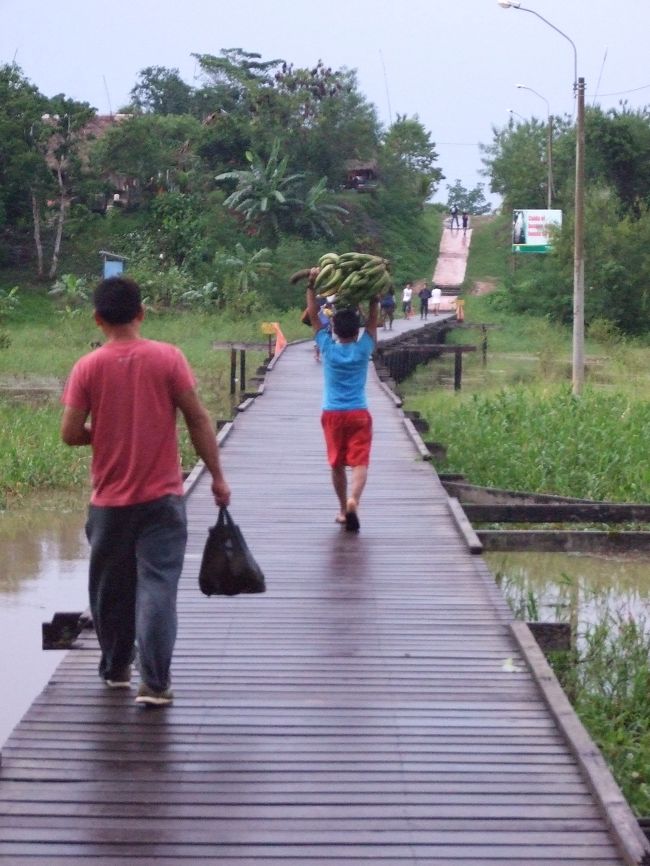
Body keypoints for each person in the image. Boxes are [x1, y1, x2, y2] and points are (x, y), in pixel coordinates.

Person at [60, 275, 231, 707]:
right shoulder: (168, 359)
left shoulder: (87, 366)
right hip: (162, 501)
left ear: (98, 320)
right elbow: (197, 419)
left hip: (109, 504)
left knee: (110, 590)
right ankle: (154, 684)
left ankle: (117, 669)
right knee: (157, 588)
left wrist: (103, 434)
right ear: (142, 313)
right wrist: (217, 476)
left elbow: (69, 433)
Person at [306, 269, 379, 533]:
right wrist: (373, 298)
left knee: (336, 463)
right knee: (360, 462)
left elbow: (313, 316)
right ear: (356, 330)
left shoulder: (327, 347)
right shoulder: (363, 348)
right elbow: (372, 322)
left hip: (332, 413)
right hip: (359, 412)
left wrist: (312, 286)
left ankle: (341, 508)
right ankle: (354, 501)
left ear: (333, 329)